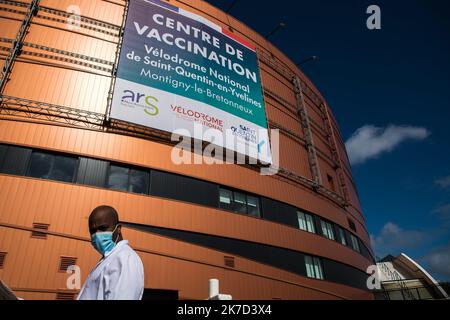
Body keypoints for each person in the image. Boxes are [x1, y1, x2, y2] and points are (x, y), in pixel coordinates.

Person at [77, 205, 144, 300]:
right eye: (92, 231)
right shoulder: (108, 259)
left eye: (103, 228)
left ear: (118, 228)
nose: (97, 234)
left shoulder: (125, 258)